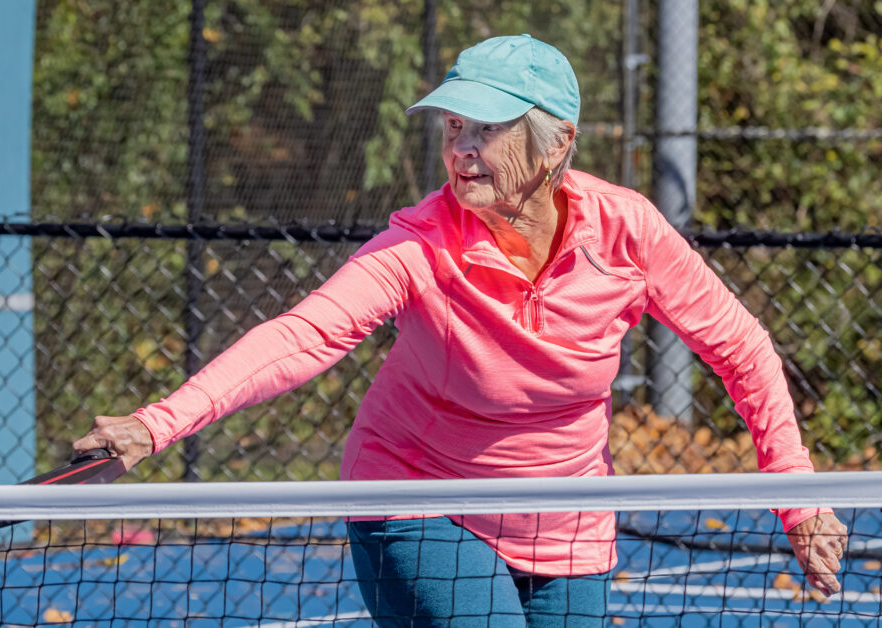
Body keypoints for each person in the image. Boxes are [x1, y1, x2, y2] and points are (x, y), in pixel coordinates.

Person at [73, 34, 848, 626]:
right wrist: (156, 424)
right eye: (453, 127)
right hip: (418, 498)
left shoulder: (628, 231)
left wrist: (800, 497)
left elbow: (741, 347)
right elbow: (302, 336)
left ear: (558, 143)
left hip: (567, 521)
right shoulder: (417, 245)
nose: (460, 148)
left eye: (486, 128)